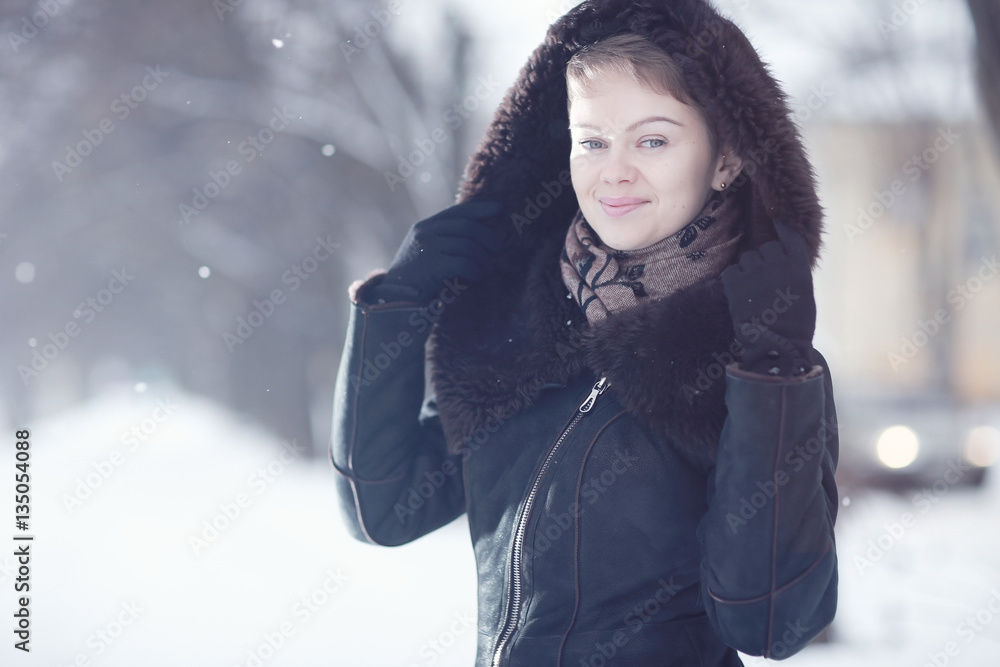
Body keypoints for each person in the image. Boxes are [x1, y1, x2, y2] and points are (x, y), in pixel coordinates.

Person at [330, 1, 839, 665]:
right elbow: (385, 509)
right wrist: (395, 306)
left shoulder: (754, 358)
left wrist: (773, 371)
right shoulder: (510, 318)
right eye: (592, 140)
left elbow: (770, 621)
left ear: (726, 160)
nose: (614, 170)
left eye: (652, 140)